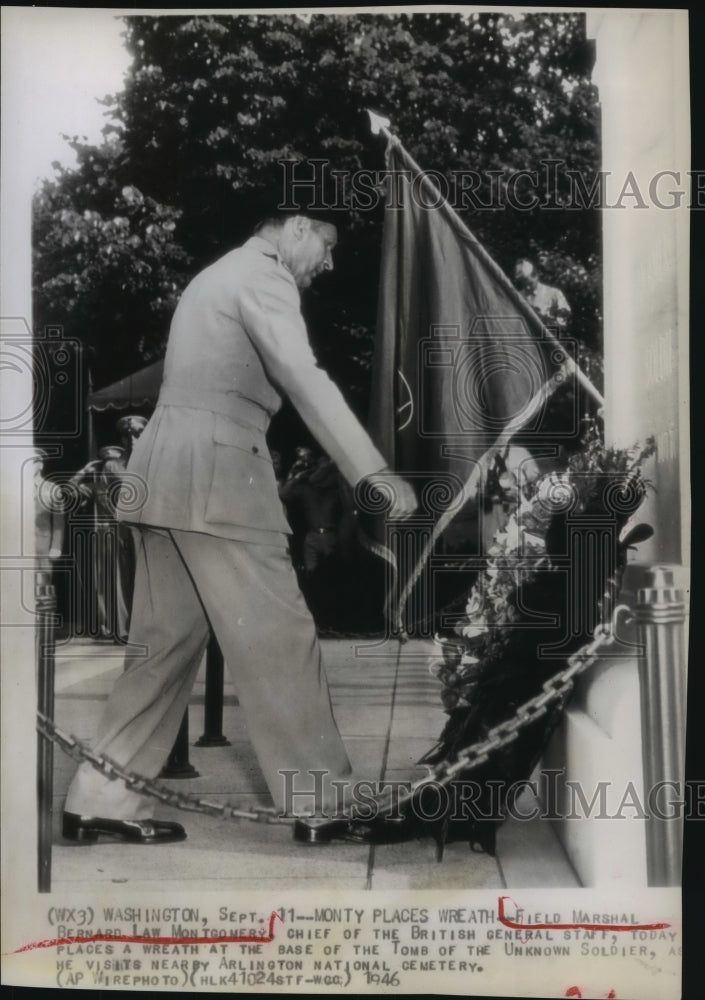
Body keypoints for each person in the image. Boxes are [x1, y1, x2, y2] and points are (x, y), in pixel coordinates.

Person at [62, 211, 417, 847]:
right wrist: (372, 471)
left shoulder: (212, 276)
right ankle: (325, 805)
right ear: (300, 227)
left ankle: (100, 800)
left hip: (162, 478)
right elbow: (303, 377)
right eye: (328, 247)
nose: (328, 265)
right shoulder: (265, 276)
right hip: (221, 477)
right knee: (281, 641)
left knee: (159, 651)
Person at [513, 258, 571, 331]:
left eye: (530, 283)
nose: (527, 287)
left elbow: (563, 325)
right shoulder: (518, 297)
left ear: (536, 276)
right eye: (523, 283)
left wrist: (544, 320)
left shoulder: (554, 294)